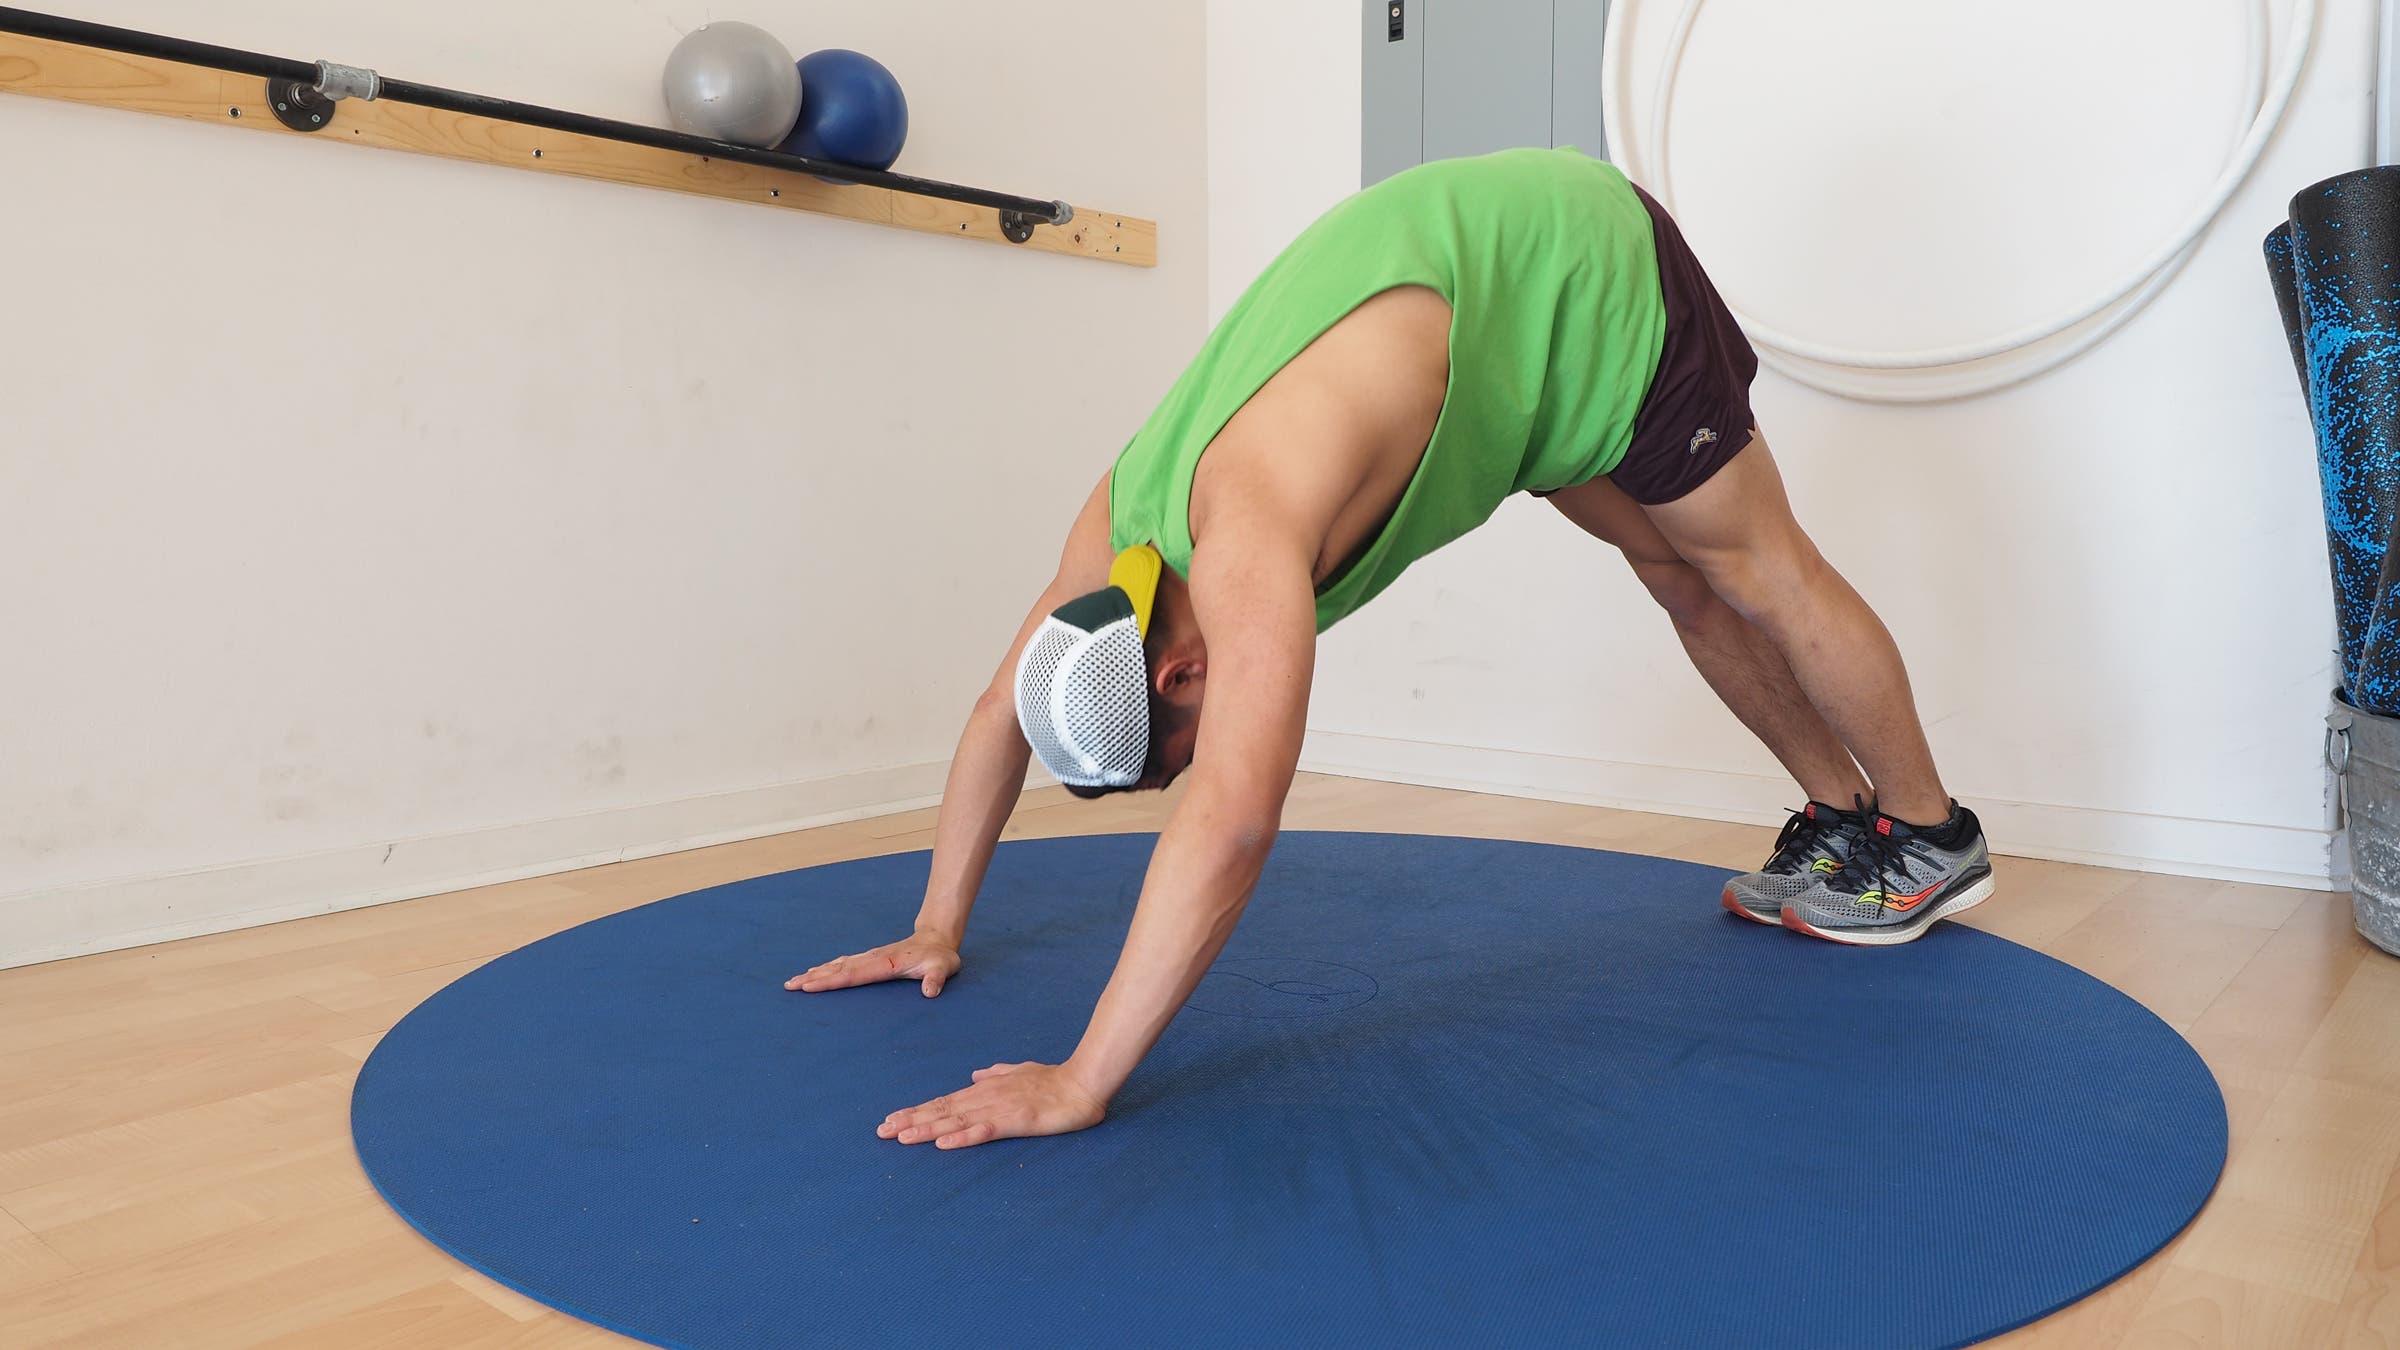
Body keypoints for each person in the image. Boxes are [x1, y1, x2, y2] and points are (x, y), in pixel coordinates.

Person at [787, 146, 1992, 1151]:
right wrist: (938, 922)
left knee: (1752, 566)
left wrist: (1082, 1078)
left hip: (1574, 264)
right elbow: (1003, 709)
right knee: (1679, 578)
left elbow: (1238, 822)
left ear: (1179, 674)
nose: (1206, 759)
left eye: (1185, 748)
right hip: (1488, 327)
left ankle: (1931, 836)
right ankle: (1846, 826)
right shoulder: (1111, 551)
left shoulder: (1247, 551)